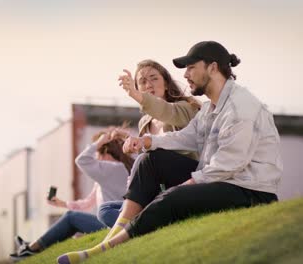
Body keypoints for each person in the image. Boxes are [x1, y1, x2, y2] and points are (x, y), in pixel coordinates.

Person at [57, 41, 282, 264]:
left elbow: (227, 166)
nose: (185, 75)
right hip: (222, 179)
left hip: (249, 191)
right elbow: (187, 137)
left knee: (172, 197)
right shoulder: (210, 108)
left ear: (212, 68)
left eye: (192, 67)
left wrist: (186, 186)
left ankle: (105, 248)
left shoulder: (240, 107)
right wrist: (148, 141)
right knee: (149, 161)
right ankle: (113, 233)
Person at [97, 59, 201, 228]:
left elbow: (166, 111)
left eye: (154, 78)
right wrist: (131, 144)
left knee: (151, 157)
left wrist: (135, 95)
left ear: (166, 83)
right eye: (142, 81)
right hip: (158, 187)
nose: (148, 84)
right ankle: (145, 219)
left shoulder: (185, 107)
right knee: (104, 209)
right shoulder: (144, 122)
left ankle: (135, 223)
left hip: (187, 178)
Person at [10, 128, 134, 261]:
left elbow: (82, 160)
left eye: (97, 154)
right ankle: (31, 247)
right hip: (113, 221)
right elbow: (88, 203)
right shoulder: (110, 173)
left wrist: (99, 142)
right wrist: (62, 203)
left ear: (105, 152)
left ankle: (31, 249)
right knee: (72, 219)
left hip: (113, 223)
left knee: (71, 217)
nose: (96, 159)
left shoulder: (114, 169)